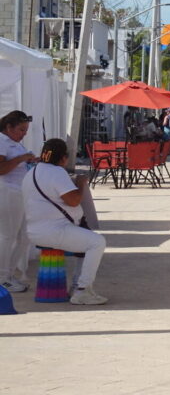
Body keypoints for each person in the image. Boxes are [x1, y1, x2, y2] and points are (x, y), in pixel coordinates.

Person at [23, 138, 107, 305]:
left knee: (87, 239)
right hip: (54, 230)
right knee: (97, 242)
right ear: (63, 158)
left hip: (36, 230)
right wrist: (81, 184)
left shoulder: (32, 172)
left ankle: (77, 286)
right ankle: (83, 291)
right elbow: (74, 200)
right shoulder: (56, 172)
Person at [0, 110, 36, 294]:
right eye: (21, 129)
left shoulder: (15, 143)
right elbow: (1, 169)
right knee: (7, 236)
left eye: (26, 129)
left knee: (25, 237)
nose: (24, 133)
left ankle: (8, 274)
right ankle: (2, 278)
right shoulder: (1, 141)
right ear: (9, 127)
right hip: (7, 192)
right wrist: (21, 158)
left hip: (20, 192)